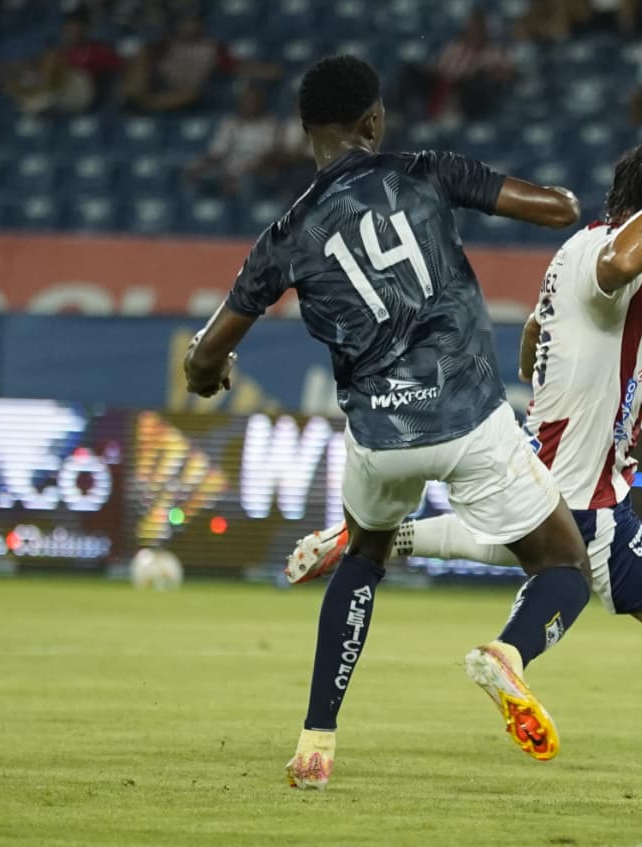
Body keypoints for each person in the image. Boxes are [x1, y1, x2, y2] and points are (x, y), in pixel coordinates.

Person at [286, 132, 642, 785]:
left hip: (571, 475)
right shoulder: (606, 253)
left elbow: (533, 337)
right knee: (618, 596)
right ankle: (513, 655)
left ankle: (372, 538)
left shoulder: (572, 255)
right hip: (585, 492)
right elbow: (624, 257)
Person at [183, 55, 592, 790]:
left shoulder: (287, 232)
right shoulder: (426, 170)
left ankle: (316, 740)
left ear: (306, 130)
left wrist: (213, 376)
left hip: (378, 438)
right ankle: (508, 653)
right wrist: (512, 191)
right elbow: (559, 207)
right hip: (471, 419)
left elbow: (206, 354)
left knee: (364, 558)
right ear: (373, 121)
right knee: (565, 567)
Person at [121, 11, 278, 113]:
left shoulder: (211, 47)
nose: (190, 26)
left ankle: (147, 106)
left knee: (190, 93)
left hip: (189, 93)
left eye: (194, 22)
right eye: (186, 22)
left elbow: (234, 67)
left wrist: (265, 70)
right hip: (161, 83)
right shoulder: (167, 43)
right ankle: (134, 101)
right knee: (141, 57)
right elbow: (145, 59)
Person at [0, 11, 121, 114]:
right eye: (68, 30)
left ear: (85, 30)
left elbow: (117, 66)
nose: (72, 34)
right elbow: (34, 66)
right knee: (15, 72)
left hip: (84, 92)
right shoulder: (61, 51)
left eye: (76, 30)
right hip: (60, 94)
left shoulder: (96, 48)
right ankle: (37, 97)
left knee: (52, 58)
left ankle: (38, 97)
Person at [393, 11, 515, 120]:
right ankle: (397, 112)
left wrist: (489, 71)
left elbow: (504, 74)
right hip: (442, 82)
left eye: (477, 29)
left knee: (476, 82)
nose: (473, 32)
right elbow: (438, 66)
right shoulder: (455, 45)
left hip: (466, 90)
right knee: (411, 70)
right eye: (471, 28)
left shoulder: (492, 50)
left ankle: (460, 115)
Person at [183, 84, 281, 197]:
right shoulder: (229, 123)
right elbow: (217, 152)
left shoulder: (271, 124)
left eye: (253, 101)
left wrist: (240, 172)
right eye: (246, 101)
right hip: (228, 171)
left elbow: (268, 156)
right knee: (195, 174)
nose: (249, 104)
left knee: (245, 182)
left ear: (261, 103)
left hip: (256, 172)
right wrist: (200, 167)